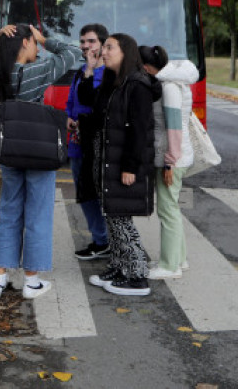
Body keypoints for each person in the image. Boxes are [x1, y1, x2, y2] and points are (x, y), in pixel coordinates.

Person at [0, 24, 81, 300]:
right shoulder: (38, 71)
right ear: (26, 43)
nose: (37, 47)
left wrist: (2, 39)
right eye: (33, 42)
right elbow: (73, 53)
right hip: (39, 149)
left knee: (9, 211)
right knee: (38, 214)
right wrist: (46, 39)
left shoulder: (0, 70)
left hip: (10, 148)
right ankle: (31, 281)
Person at [79, 34, 161, 297]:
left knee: (120, 218)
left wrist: (129, 167)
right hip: (105, 158)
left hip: (120, 161)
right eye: (104, 47)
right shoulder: (114, 81)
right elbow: (90, 103)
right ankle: (119, 266)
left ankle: (137, 276)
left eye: (109, 47)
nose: (104, 51)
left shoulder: (137, 85)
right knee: (111, 214)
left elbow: (139, 130)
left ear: (126, 51)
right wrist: (90, 70)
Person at [139, 45, 198, 280]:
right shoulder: (170, 84)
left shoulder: (169, 87)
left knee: (167, 210)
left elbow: (173, 127)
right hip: (173, 155)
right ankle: (178, 259)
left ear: (145, 67)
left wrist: (169, 162)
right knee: (171, 208)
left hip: (172, 156)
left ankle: (169, 266)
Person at [66, 24, 111, 261]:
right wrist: (69, 119)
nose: (85, 46)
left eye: (91, 41)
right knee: (84, 193)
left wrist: (92, 71)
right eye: (82, 41)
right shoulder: (79, 72)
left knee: (101, 193)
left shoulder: (109, 74)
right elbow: (71, 103)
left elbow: (94, 103)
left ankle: (106, 239)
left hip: (98, 143)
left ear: (103, 45)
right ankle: (101, 239)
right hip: (77, 144)